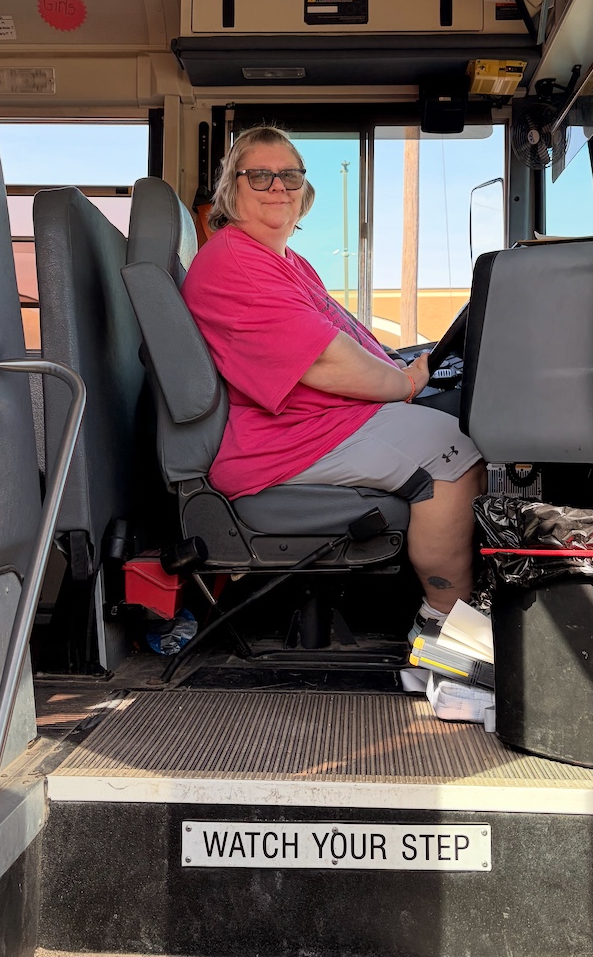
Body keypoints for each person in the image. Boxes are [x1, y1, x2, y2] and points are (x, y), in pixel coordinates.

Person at [181, 124, 486, 627]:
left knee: (445, 423)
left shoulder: (285, 262)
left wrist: (410, 360)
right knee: (454, 452)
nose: (278, 187)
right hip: (282, 443)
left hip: (315, 426)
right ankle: (444, 626)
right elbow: (323, 360)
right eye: (259, 176)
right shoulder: (236, 262)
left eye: (290, 176)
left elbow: (346, 336)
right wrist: (406, 383)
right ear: (230, 190)